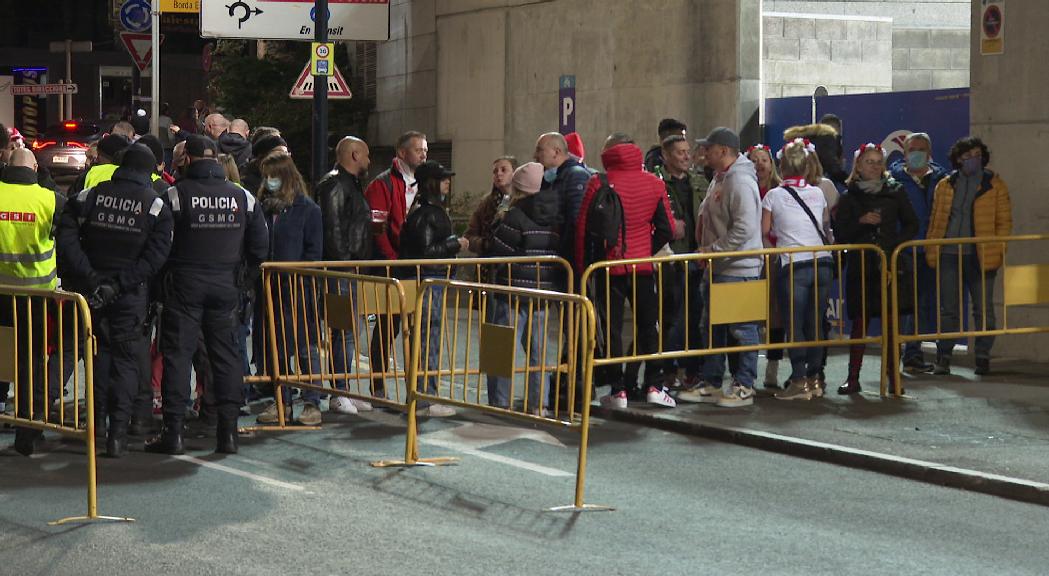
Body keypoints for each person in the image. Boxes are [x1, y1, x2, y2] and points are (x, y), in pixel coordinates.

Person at [146, 135, 269, 455]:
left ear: (187, 157)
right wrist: (243, 279)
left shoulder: (174, 195)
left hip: (184, 285)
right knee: (226, 358)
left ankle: (173, 433)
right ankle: (227, 434)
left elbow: (159, 244)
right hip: (225, 285)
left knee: (177, 356)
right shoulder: (242, 197)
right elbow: (260, 247)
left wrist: (161, 283)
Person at [56, 144, 173, 457]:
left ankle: (98, 427)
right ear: (148, 170)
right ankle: (117, 436)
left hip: (91, 293)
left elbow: (66, 238)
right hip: (129, 295)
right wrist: (120, 284)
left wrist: (91, 277)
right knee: (124, 363)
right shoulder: (155, 205)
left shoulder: (89, 196)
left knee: (96, 359)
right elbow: (157, 256)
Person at [576, 133, 676, 410]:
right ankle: (655, 385)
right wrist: (645, 248)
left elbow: (584, 230)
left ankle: (617, 391)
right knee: (648, 327)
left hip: (608, 267)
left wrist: (583, 267)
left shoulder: (599, 182)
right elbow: (667, 228)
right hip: (643, 268)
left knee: (612, 330)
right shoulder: (655, 183)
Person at [677, 127, 763, 408]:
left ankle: (745, 385)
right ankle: (713, 382)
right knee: (713, 327)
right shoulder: (721, 178)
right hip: (721, 266)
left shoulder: (739, 182)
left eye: (709, 149)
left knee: (742, 328)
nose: (703, 153)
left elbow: (745, 228)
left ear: (724, 151)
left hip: (738, 268)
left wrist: (712, 250)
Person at [834, 143, 919, 395]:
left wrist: (891, 244)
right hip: (861, 266)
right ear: (858, 166)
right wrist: (861, 222)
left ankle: (894, 377)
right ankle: (853, 377)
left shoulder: (896, 191)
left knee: (891, 325)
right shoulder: (849, 196)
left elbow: (912, 225)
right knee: (860, 323)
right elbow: (840, 232)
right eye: (869, 162)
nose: (874, 166)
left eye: (878, 161)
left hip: (890, 265)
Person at [926, 137, 1012, 376]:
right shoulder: (945, 185)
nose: (972, 159)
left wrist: (998, 248)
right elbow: (936, 221)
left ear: (983, 156)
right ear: (958, 159)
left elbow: (1004, 222)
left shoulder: (995, 185)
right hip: (950, 255)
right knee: (949, 309)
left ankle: (982, 356)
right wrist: (934, 249)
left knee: (983, 310)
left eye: (976, 154)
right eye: (966, 155)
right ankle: (944, 356)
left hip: (981, 254)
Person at [0, 149, 66, 456]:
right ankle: (27, 431)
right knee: (31, 363)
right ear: (36, 167)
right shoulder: (50, 200)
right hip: (35, 297)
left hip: (1, 295)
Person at [252, 152, 325, 426]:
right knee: (276, 349)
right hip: (268, 290)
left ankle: (312, 401)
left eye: (274, 176)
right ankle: (281, 400)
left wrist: (295, 276)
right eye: (266, 176)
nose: (269, 181)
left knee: (306, 348)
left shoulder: (308, 210)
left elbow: (313, 253)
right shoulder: (262, 209)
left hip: (297, 290)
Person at [760, 139, 834, 401]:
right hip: (823, 262)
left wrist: (781, 238)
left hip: (794, 264)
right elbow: (825, 227)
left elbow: (765, 231)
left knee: (795, 324)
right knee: (816, 323)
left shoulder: (773, 196)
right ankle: (816, 379)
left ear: (782, 166)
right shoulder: (818, 193)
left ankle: (799, 380)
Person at [485, 162, 562, 413]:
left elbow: (498, 249)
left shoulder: (516, 214)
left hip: (511, 290)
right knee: (539, 350)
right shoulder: (554, 214)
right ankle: (539, 403)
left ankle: (500, 402)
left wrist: (498, 222)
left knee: (501, 347)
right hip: (541, 289)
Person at [398, 160, 467, 418]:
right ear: (431, 184)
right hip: (428, 282)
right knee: (428, 338)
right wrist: (454, 244)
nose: (448, 182)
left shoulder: (424, 210)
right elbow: (426, 253)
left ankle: (423, 396)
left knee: (426, 338)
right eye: (443, 179)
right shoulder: (428, 213)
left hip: (427, 282)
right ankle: (425, 397)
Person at [365, 130, 428, 398]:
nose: (424, 154)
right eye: (418, 150)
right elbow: (377, 229)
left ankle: (416, 389)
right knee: (386, 329)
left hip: (415, 268)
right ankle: (378, 387)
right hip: (392, 268)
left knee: (416, 332)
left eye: (426, 150)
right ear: (402, 153)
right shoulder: (382, 185)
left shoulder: (424, 184)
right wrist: (392, 259)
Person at [316, 136, 375, 415]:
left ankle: (344, 389)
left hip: (350, 267)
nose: (369, 160)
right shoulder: (337, 185)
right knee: (344, 331)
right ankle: (339, 391)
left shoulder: (346, 184)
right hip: (343, 269)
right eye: (365, 155)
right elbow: (334, 228)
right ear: (354, 155)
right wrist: (346, 263)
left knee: (348, 332)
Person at [889, 132, 948, 373]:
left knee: (933, 305)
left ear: (929, 153)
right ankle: (910, 354)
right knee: (909, 305)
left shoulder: (943, 179)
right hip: (906, 251)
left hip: (934, 251)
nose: (917, 154)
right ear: (904, 153)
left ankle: (935, 356)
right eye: (912, 149)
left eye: (922, 149)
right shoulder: (893, 179)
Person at [655, 135, 705, 389]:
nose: (686, 156)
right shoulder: (657, 183)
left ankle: (693, 370)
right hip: (670, 260)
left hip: (697, 259)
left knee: (695, 316)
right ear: (666, 156)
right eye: (680, 152)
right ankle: (668, 369)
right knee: (670, 316)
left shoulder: (699, 182)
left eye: (687, 152)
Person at [747, 143, 787, 389]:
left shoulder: (779, 191)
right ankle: (746, 371)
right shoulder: (745, 188)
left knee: (775, 315)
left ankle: (772, 367)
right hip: (751, 257)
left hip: (773, 256)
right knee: (749, 315)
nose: (760, 164)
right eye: (754, 159)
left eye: (764, 159)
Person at [534, 132, 592, 268]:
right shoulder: (551, 178)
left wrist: (565, 251)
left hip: (569, 257)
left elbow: (576, 219)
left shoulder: (576, 176)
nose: (536, 156)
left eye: (540, 150)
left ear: (556, 152)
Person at [465, 156, 516, 256]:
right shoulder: (486, 202)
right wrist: (484, 244)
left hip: (513, 261)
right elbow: (469, 235)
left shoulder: (522, 200)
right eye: (495, 171)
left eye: (503, 170)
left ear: (514, 173)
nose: (499, 174)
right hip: (489, 262)